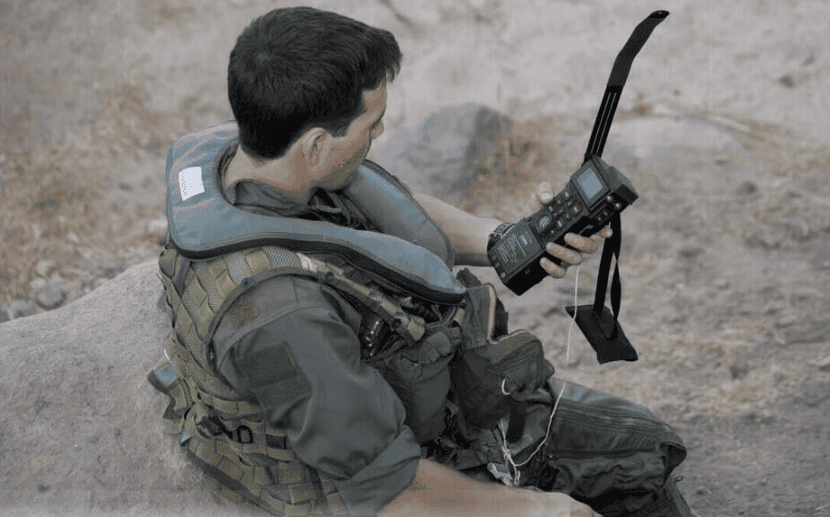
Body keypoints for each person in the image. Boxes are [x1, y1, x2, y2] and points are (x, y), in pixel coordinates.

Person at [148, 6, 692, 517]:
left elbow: (388, 208)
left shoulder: (259, 158)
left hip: (416, 387)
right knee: (647, 456)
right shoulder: (282, 315)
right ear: (314, 145)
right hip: (407, 462)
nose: (380, 134)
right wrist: (540, 510)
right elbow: (394, 492)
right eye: (371, 125)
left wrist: (506, 239)